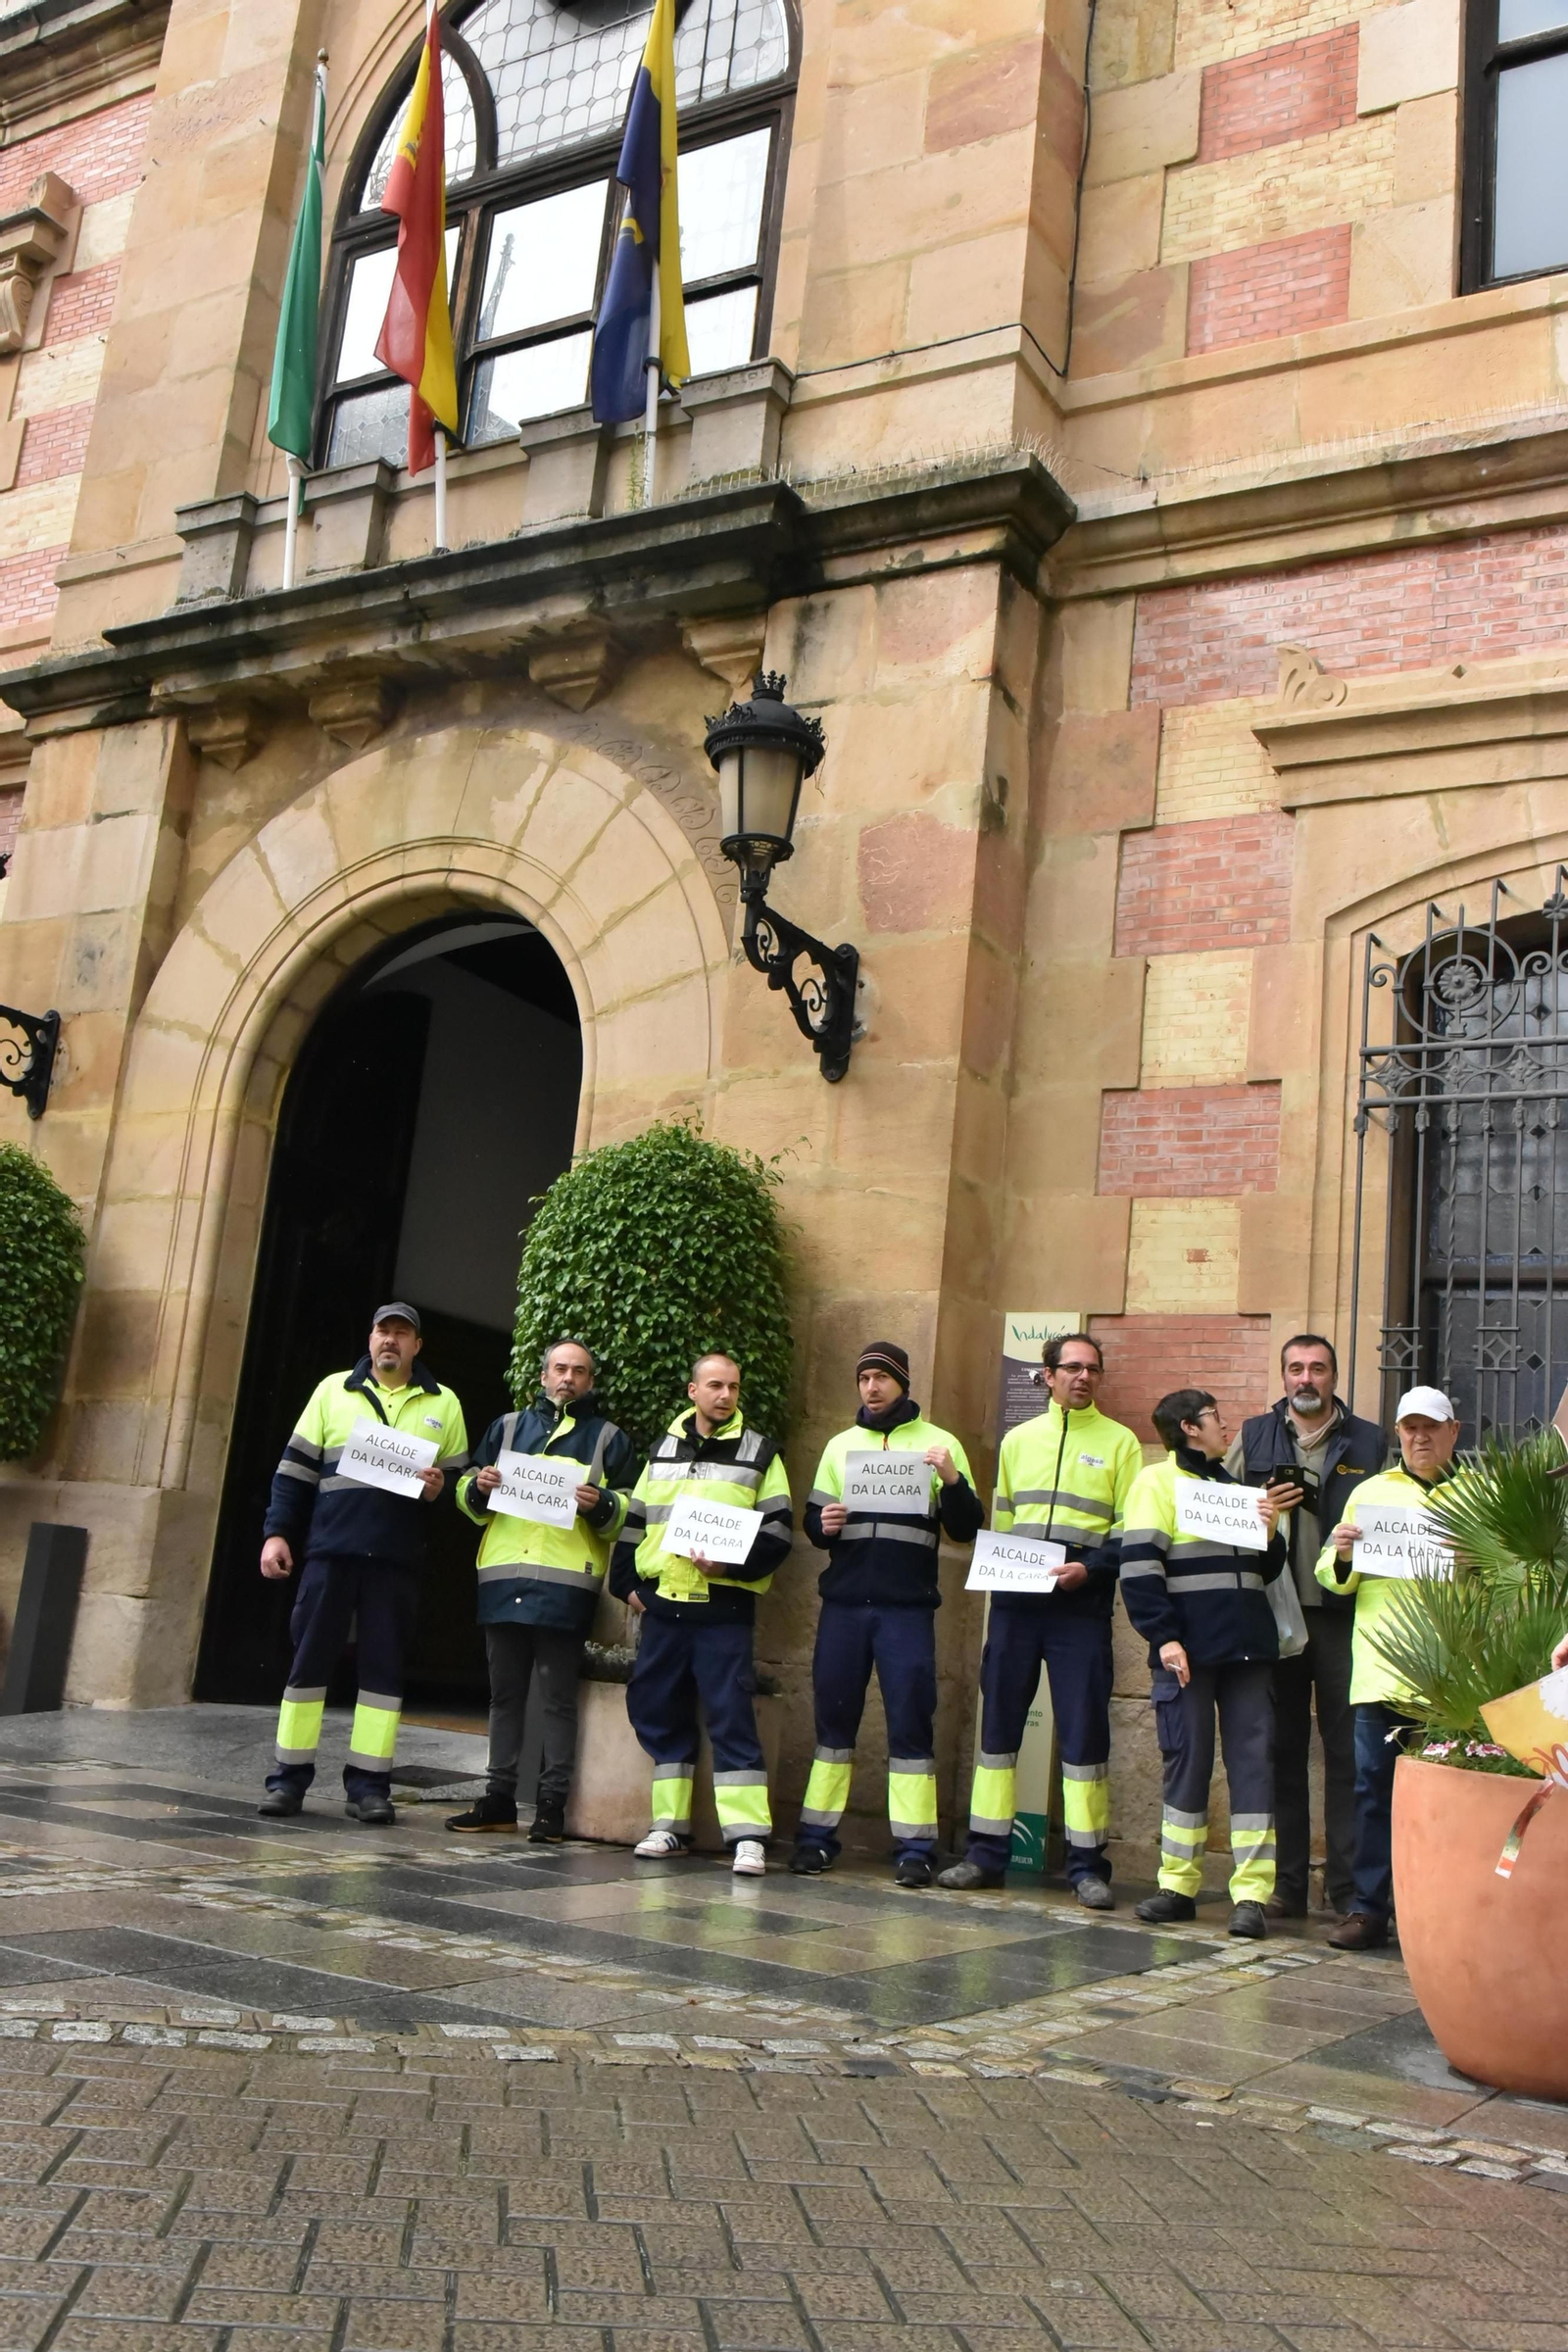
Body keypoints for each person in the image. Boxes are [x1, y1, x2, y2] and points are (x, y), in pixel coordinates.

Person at [938, 1333, 1143, 1906]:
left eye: (1093, 1369)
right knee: (998, 1731)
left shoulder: (1122, 1443)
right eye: (1072, 1368)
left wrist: (1092, 1570)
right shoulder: (1018, 1440)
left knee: (1083, 1735)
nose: (1083, 1377)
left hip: (1081, 1607)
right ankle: (985, 1855)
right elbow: (1002, 1520)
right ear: (1047, 1375)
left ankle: (1086, 1866)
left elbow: (1128, 1534)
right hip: (1016, 1606)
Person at [258, 1303, 468, 1825]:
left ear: (418, 1345)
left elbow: (460, 1486)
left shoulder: (446, 1403)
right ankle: (287, 1781)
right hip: (330, 1553)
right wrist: (276, 1534)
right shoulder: (332, 1390)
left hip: (395, 1562)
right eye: (383, 1331)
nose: (390, 1341)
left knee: (382, 1677)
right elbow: (294, 1472)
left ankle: (370, 1786)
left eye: (402, 1333)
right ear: (370, 1338)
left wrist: (441, 1490)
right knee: (307, 1670)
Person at [794, 1342, 983, 1888]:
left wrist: (951, 1479)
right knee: (833, 1723)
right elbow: (813, 1520)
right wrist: (820, 1524)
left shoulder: (940, 1444)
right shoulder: (839, 1445)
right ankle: (815, 1838)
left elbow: (966, 1527)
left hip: (906, 1610)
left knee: (910, 1724)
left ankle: (916, 1848)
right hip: (845, 1606)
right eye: (864, 1378)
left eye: (881, 1377)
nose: (871, 1387)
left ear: (902, 1382)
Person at [446, 1338, 640, 1841]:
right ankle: (498, 1799)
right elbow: (466, 1498)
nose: (567, 1378)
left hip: (565, 1587)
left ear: (590, 1382)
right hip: (505, 1579)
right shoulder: (506, 1428)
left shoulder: (609, 1440)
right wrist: (478, 1489)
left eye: (578, 1371)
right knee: (504, 1697)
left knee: (557, 1700)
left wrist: (600, 1505)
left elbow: (631, 1515)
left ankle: (552, 1805)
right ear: (542, 1376)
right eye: (559, 1368)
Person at [609, 1352, 793, 1876]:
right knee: (659, 1712)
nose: (726, 1395)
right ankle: (668, 1827)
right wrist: (631, 1589)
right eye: (715, 1385)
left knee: (732, 1718)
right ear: (693, 1391)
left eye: (733, 1387)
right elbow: (635, 1525)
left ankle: (748, 1837)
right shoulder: (662, 1450)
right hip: (665, 1608)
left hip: (723, 1609)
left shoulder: (761, 1454)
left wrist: (729, 1566)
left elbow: (779, 1533)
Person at [1227, 1335, 1385, 1922]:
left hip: (1345, 1616)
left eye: (1317, 1368)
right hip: (1275, 1612)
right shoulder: (1253, 1435)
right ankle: (1288, 1884)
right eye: (1296, 1368)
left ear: (1335, 1376)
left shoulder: (1369, 1440)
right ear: (1284, 1376)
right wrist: (1259, 1506)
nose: (1306, 1378)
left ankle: (1347, 1892)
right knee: (1282, 1751)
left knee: (1349, 1755)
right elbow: (1218, 1510)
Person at [1121, 1388, 1289, 1938]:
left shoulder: (1234, 1489)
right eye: (1217, 1417)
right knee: (1186, 1763)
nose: (1226, 1426)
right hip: (1187, 1653)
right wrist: (1163, 1638)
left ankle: (1252, 1896)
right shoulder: (1156, 1482)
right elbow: (1140, 1567)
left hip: (1248, 1648)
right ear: (1191, 1427)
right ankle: (1177, 1886)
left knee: (1253, 1767)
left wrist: (1269, 1529)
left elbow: (1263, 1571)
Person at [1317, 1385, 1460, 1952]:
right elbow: (1329, 1574)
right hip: (1380, 1671)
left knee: (1448, 1799)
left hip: (1452, 1678)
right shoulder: (1370, 1493)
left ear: (1454, 1431)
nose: (1419, 1437)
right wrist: (1344, 1552)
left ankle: (1437, 1910)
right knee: (1373, 1791)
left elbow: (1508, 1585)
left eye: (1430, 1427)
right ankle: (1368, 1910)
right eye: (1409, 1428)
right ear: (1397, 1434)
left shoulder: (1478, 1496)